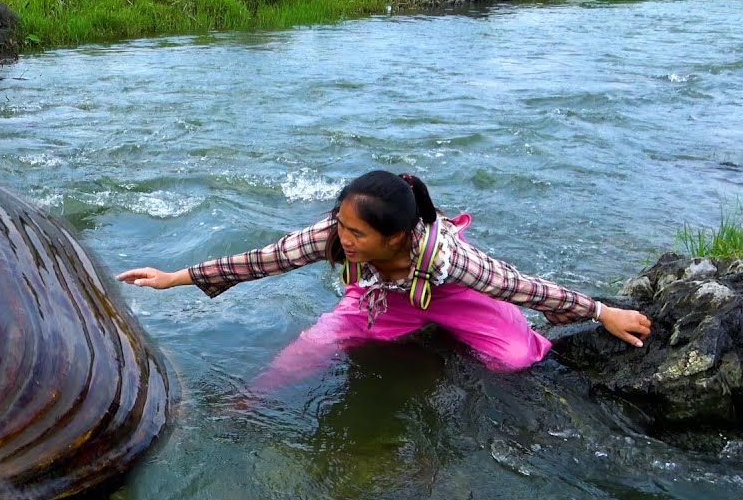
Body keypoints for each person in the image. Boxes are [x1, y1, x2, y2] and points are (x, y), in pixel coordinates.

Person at [116, 170, 651, 392]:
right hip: (384, 297)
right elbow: (264, 260)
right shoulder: (334, 233)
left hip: (454, 298)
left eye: (356, 233)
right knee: (315, 345)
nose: (342, 239)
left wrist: (602, 312)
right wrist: (174, 277)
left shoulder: (449, 259)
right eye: (340, 225)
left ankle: (476, 336)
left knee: (515, 360)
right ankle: (251, 403)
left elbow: (521, 286)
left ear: (395, 238)